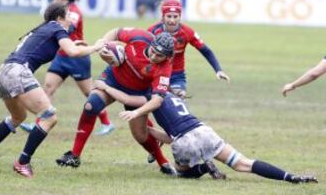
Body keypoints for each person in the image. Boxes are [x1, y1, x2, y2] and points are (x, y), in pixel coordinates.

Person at [93, 80, 318, 184]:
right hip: (203, 131)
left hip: (184, 141)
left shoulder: (153, 97)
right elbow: (170, 135)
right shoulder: (173, 97)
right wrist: (150, 130)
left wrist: (105, 87)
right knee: (243, 164)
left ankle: (201, 167)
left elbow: (126, 99)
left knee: (181, 172)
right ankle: (290, 177)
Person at [0, 2, 105, 178]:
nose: (70, 18)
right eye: (68, 15)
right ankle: (23, 162)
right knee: (49, 117)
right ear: (59, 18)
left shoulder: (46, 28)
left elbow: (53, 47)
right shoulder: (57, 27)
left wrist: (75, 43)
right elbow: (72, 52)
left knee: (18, 117)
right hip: (18, 72)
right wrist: (96, 47)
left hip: (4, 71)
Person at [55, 28, 178, 175]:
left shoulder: (165, 68)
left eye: (160, 56)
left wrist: (137, 112)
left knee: (140, 135)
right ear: (151, 43)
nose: (154, 56)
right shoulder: (140, 37)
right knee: (90, 105)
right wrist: (102, 44)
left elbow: (157, 100)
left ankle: (162, 161)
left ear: (167, 56)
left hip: (137, 93)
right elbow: (115, 32)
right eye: (153, 51)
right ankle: (74, 156)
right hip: (113, 79)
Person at [19, 0, 114, 136]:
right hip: (61, 57)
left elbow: (68, 28)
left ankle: (106, 123)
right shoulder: (61, 10)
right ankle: (38, 123)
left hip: (77, 58)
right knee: (47, 88)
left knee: (89, 93)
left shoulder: (73, 12)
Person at [148, 0, 230, 99]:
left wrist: (218, 70)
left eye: (175, 16)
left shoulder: (187, 32)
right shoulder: (152, 31)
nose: (172, 20)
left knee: (177, 103)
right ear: (163, 17)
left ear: (180, 16)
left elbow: (206, 51)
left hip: (176, 76)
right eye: (169, 16)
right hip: (156, 73)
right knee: (152, 103)